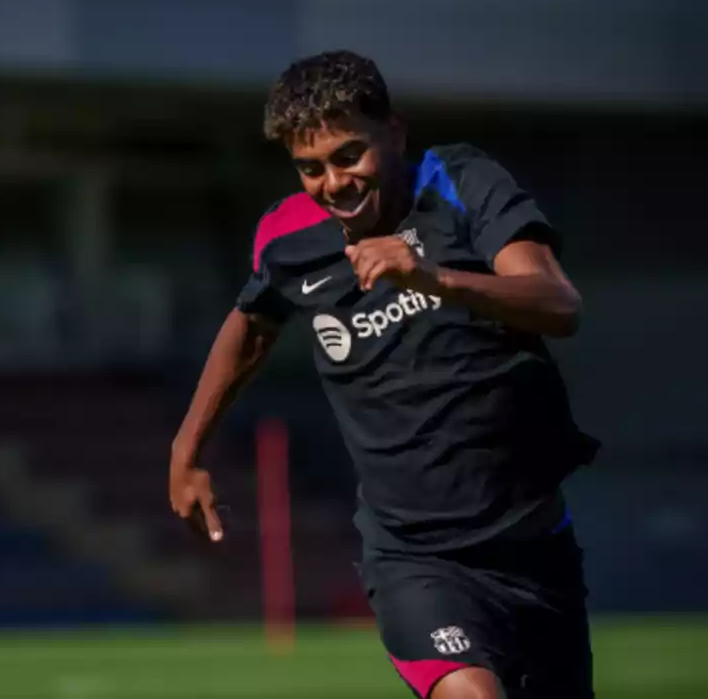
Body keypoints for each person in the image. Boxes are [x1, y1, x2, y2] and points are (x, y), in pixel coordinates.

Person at [168, 50, 600, 699]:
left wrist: (432, 278)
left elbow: (557, 304)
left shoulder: (459, 181)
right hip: (414, 558)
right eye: (309, 168)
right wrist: (186, 449)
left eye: (349, 156)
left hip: (536, 544)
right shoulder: (287, 239)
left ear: (394, 132)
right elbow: (250, 327)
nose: (333, 183)